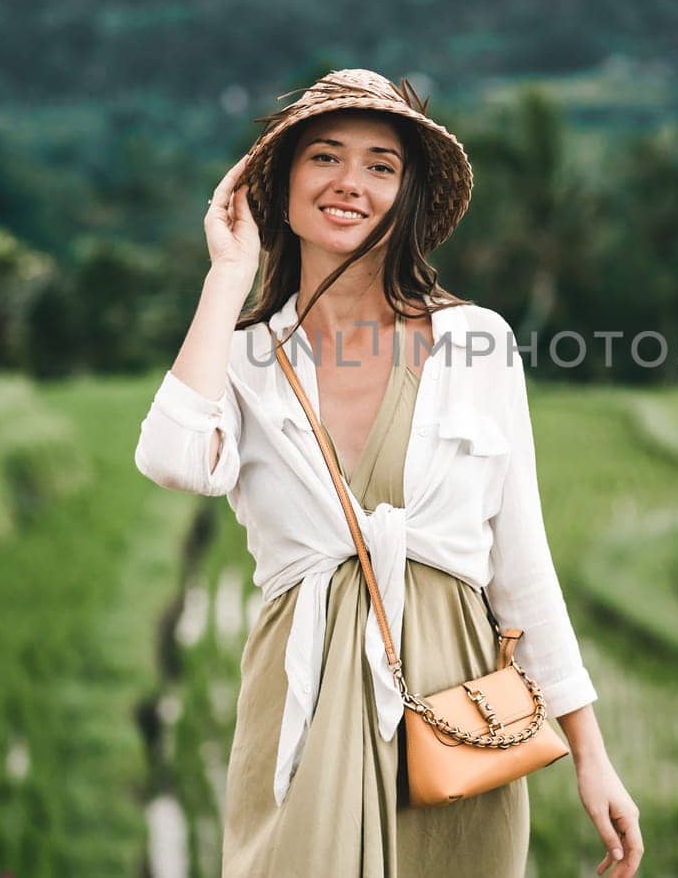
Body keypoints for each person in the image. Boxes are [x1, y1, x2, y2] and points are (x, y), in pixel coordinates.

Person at [133, 69, 643, 877]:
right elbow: (170, 457)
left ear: (404, 196)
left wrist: (590, 752)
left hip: (456, 713)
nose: (350, 183)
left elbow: (523, 565)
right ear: (281, 183)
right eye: (324, 157)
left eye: (381, 166)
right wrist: (228, 275)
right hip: (301, 707)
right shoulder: (246, 359)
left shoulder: (477, 343)